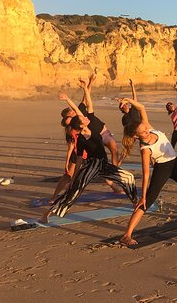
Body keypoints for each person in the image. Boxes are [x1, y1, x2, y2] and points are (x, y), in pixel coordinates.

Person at [119, 98, 177, 245]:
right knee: (146, 203)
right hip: (162, 169)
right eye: (142, 131)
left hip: (174, 164)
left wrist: (128, 100)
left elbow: (142, 107)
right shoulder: (145, 149)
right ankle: (127, 235)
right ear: (136, 136)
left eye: (144, 127)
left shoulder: (149, 128)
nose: (146, 130)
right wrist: (142, 196)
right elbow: (146, 174)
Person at [41, 91, 138, 223]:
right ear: (81, 125)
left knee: (128, 177)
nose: (85, 117)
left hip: (103, 164)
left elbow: (82, 106)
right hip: (92, 165)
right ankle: (48, 213)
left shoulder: (90, 123)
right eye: (83, 119)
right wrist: (74, 179)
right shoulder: (80, 140)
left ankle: (135, 202)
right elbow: (80, 160)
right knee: (74, 192)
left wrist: (74, 95)